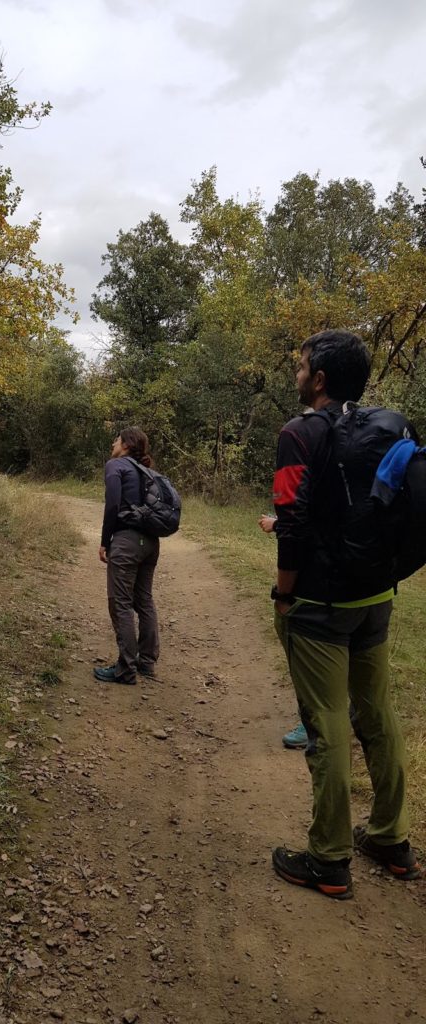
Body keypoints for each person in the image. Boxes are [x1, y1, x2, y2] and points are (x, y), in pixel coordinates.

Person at [269, 329, 421, 898]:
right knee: (377, 714)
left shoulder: (298, 433)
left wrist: (284, 595)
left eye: (301, 362)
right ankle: (390, 838)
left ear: (321, 379)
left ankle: (328, 858)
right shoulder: (387, 427)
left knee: (327, 721)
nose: (297, 370)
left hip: (319, 604)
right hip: (376, 597)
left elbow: (290, 522)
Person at [94, 427, 160, 686]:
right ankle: (147, 663)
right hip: (150, 543)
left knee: (120, 602)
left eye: (117, 439)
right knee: (144, 600)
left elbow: (113, 505)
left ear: (126, 445)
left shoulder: (116, 466)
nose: (113, 443)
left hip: (126, 543)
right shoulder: (147, 471)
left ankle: (125, 668)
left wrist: (104, 542)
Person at [258, 513, 309, 750]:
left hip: (317, 593)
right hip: (371, 592)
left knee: (307, 662)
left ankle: (311, 724)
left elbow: (298, 530)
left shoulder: (303, 476)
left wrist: (283, 595)